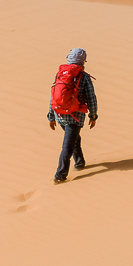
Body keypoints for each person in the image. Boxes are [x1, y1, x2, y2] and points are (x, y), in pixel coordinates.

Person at [47, 47, 98, 184]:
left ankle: (80, 162)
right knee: (67, 146)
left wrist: (51, 116)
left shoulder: (60, 74)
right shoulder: (84, 77)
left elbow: (53, 96)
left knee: (73, 138)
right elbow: (91, 97)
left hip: (60, 115)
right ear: (83, 61)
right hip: (75, 117)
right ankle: (60, 175)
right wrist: (93, 116)